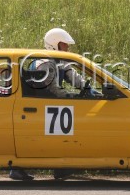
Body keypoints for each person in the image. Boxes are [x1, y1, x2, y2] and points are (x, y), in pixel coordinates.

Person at [10, 28, 87, 182]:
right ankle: (17, 169)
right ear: (55, 44)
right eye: (65, 45)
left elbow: (75, 79)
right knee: (36, 140)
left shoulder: (60, 61)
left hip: (51, 107)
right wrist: (72, 97)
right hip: (39, 107)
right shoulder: (44, 64)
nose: (67, 48)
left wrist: (88, 89)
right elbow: (53, 91)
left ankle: (60, 168)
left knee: (62, 137)